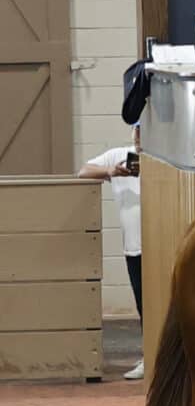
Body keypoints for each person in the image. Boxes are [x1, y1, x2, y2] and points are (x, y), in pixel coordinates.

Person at [78, 125, 143, 380]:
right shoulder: (118, 156)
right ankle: (149, 356)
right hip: (134, 248)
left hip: (163, 244)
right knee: (142, 304)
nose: (140, 138)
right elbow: (83, 172)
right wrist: (110, 172)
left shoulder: (163, 161)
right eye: (138, 132)